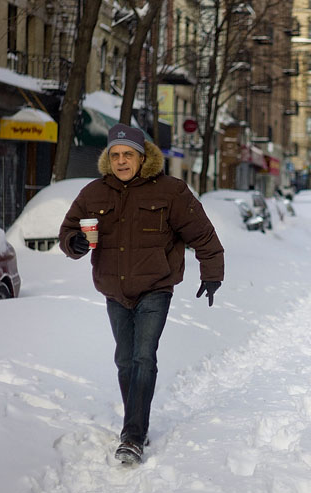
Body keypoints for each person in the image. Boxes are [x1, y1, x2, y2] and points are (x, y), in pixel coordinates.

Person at [58, 123, 224, 465]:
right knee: (124, 359)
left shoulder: (170, 192)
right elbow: (69, 231)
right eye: (115, 155)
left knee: (143, 357)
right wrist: (74, 243)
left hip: (155, 287)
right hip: (114, 289)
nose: (121, 161)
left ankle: (132, 435)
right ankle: (138, 422)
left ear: (142, 156)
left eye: (128, 155)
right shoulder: (94, 193)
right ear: (108, 159)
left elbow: (202, 233)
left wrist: (212, 274)